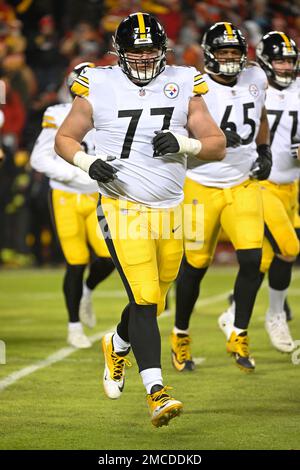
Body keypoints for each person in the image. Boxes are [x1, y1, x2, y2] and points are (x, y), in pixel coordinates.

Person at [54, 12, 225, 427]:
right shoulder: (97, 82)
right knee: (145, 298)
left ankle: (117, 341)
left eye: (152, 49)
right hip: (122, 204)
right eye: (137, 50)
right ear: (120, 52)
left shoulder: (185, 81)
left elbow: (216, 144)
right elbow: (65, 138)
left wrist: (186, 142)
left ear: (163, 50)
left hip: (173, 207)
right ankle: (157, 391)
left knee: (155, 298)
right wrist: (86, 161)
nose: (145, 57)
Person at [172, 22, 272, 373]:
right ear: (209, 54)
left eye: (235, 54)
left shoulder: (256, 78)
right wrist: (211, 141)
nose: (230, 60)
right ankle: (180, 335)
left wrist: (263, 148)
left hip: (243, 183)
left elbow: (259, 117)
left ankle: (239, 333)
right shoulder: (192, 88)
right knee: (195, 266)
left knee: (253, 260)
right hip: (199, 184)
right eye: (223, 53)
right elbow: (177, 139)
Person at [219, 31, 300, 353]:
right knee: (289, 248)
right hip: (259, 184)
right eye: (279, 59)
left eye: (289, 60)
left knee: (266, 259)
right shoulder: (251, 85)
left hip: (291, 187)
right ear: (266, 60)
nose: (284, 65)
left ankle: (231, 313)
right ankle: (276, 314)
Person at [30, 62, 115, 349]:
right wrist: (78, 174)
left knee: (110, 257)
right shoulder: (57, 113)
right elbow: (39, 159)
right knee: (76, 261)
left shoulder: (110, 112)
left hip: (97, 197)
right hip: (66, 196)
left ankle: (87, 292)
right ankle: (73, 326)